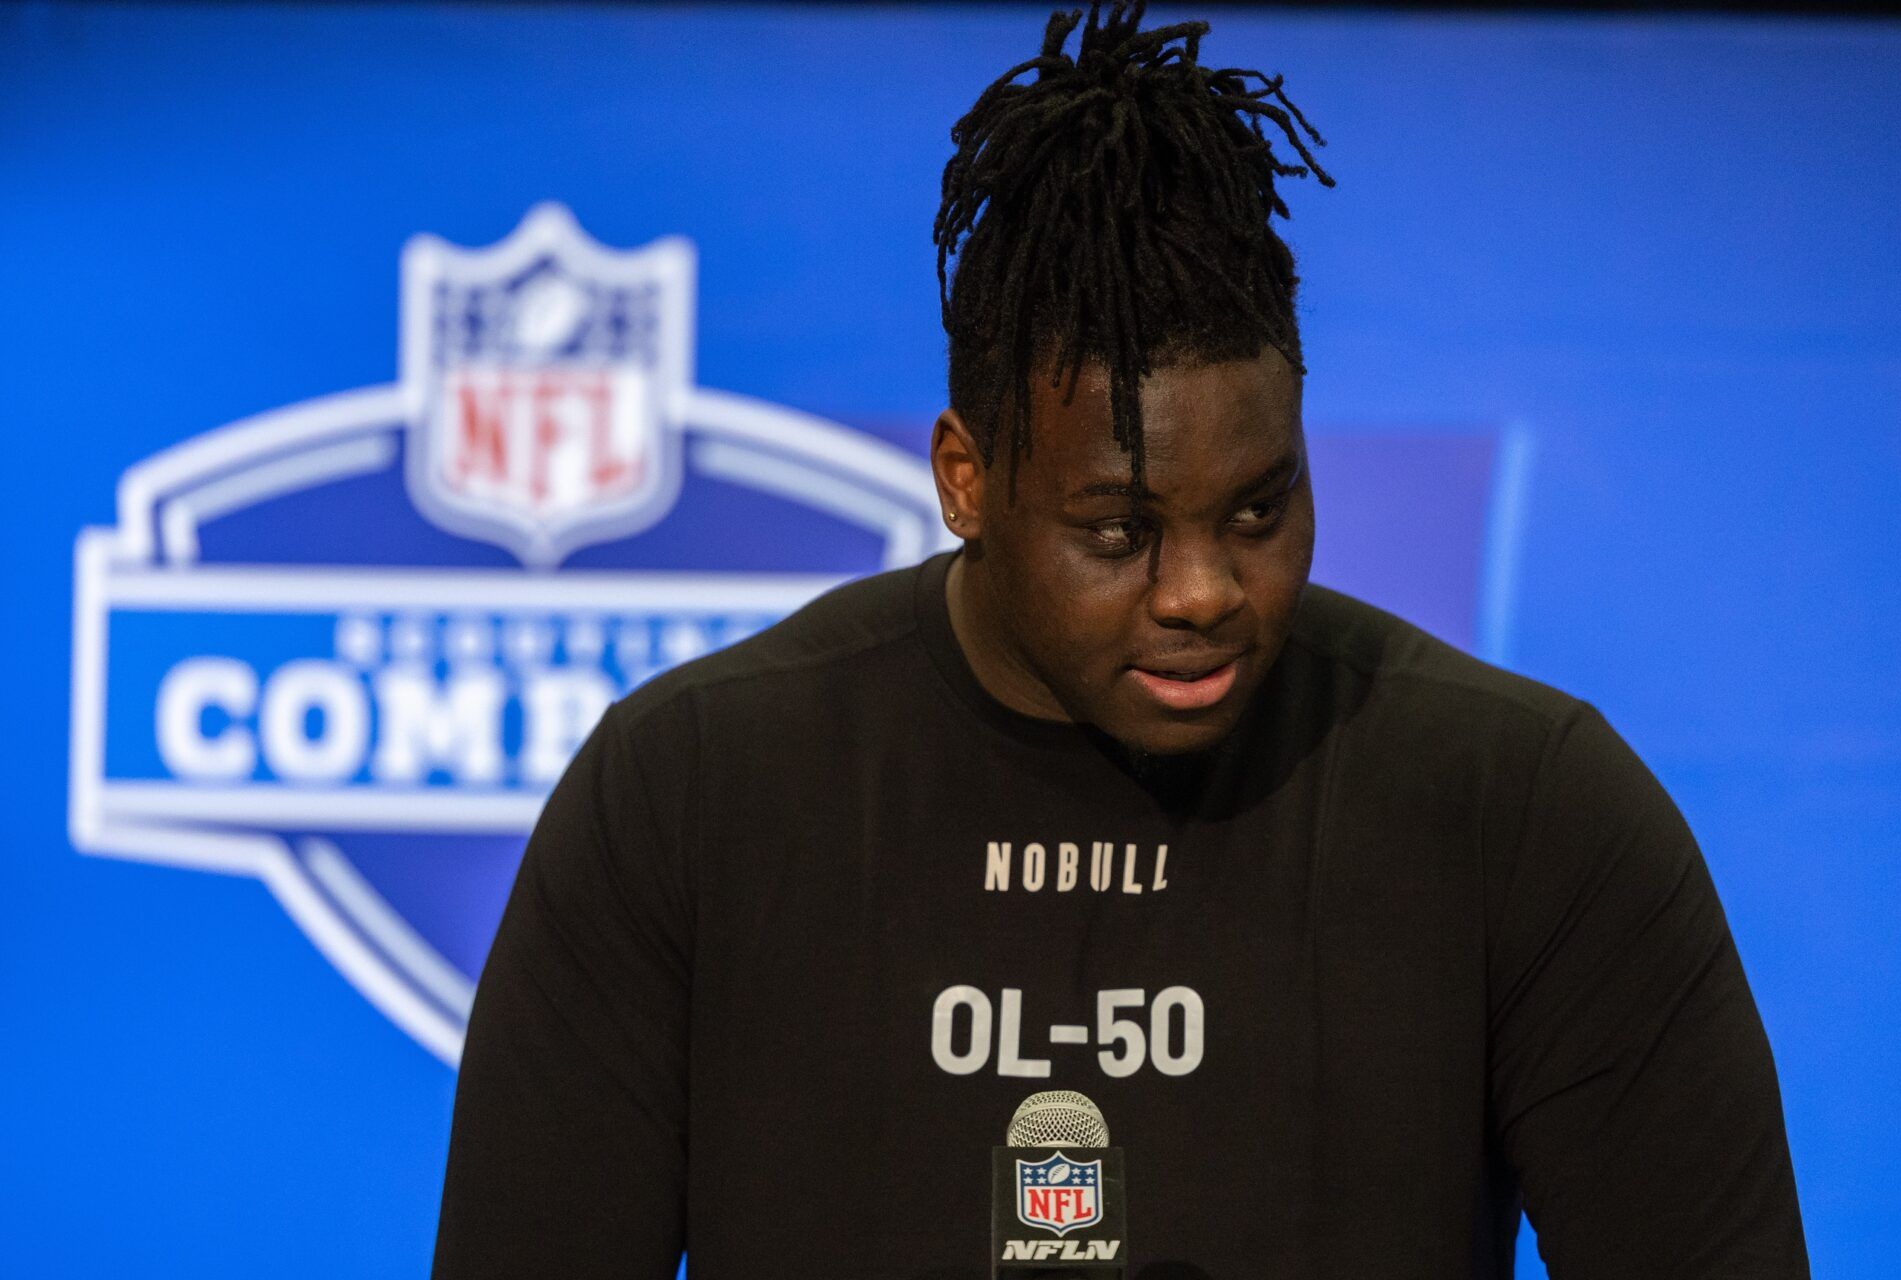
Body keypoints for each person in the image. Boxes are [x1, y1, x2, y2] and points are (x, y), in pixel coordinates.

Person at [431, 4, 1810, 1276]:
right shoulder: (687, 797)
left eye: (1260, 508)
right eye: (1120, 531)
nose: (1207, 590)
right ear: (967, 480)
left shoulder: (1528, 810)